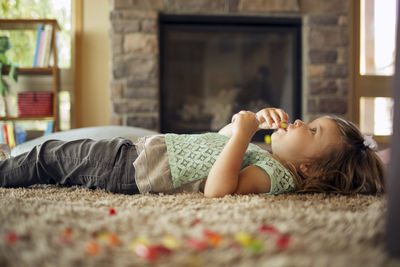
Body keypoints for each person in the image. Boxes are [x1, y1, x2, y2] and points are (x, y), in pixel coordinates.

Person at [0, 108, 385, 197]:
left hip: (132, 170)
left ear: (310, 170)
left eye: (313, 130)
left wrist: (242, 138)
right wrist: (242, 126)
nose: (300, 123)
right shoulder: (266, 155)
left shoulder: (276, 177)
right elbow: (218, 139)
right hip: (139, 153)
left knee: (49, 157)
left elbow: (218, 189)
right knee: (57, 156)